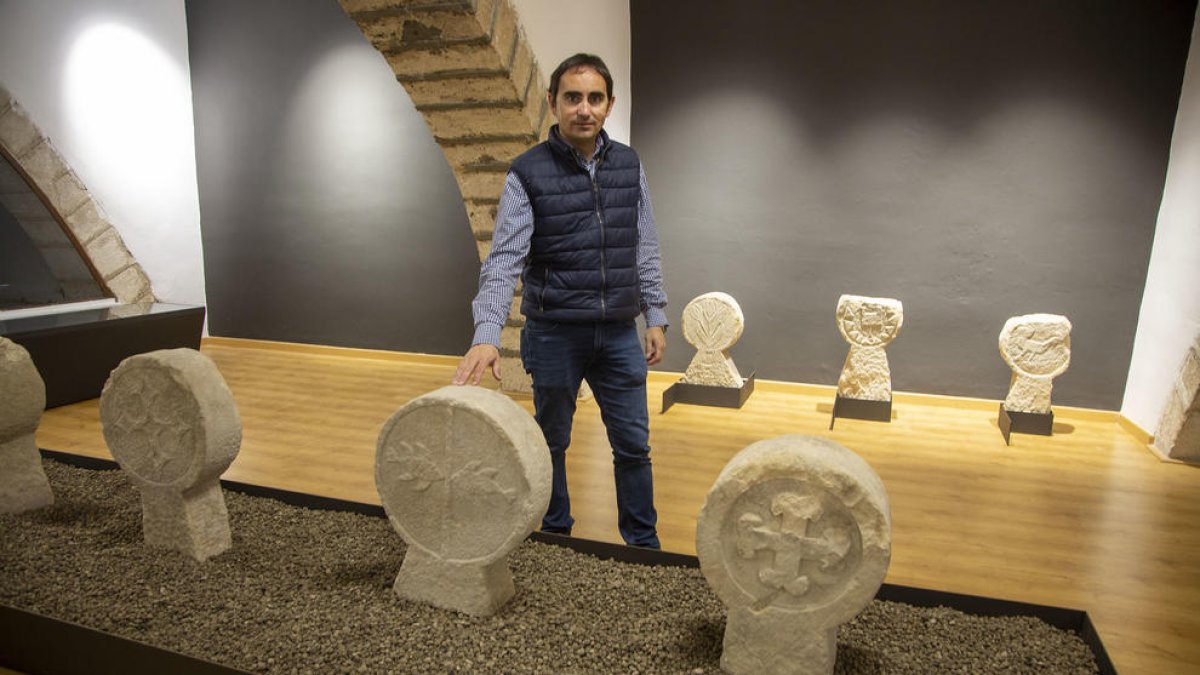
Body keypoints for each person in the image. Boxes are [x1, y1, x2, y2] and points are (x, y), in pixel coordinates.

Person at [452, 53, 668, 549]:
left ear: (609, 104)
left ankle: (643, 545)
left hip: (618, 333)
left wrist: (654, 314)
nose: (584, 109)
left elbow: (645, 244)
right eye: (572, 98)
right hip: (554, 334)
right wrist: (486, 336)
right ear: (553, 102)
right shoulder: (526, 174)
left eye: (594, 98)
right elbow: (503, 260)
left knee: (634, 446)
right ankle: (555, 539)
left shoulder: (629, 166)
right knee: (549, 444)